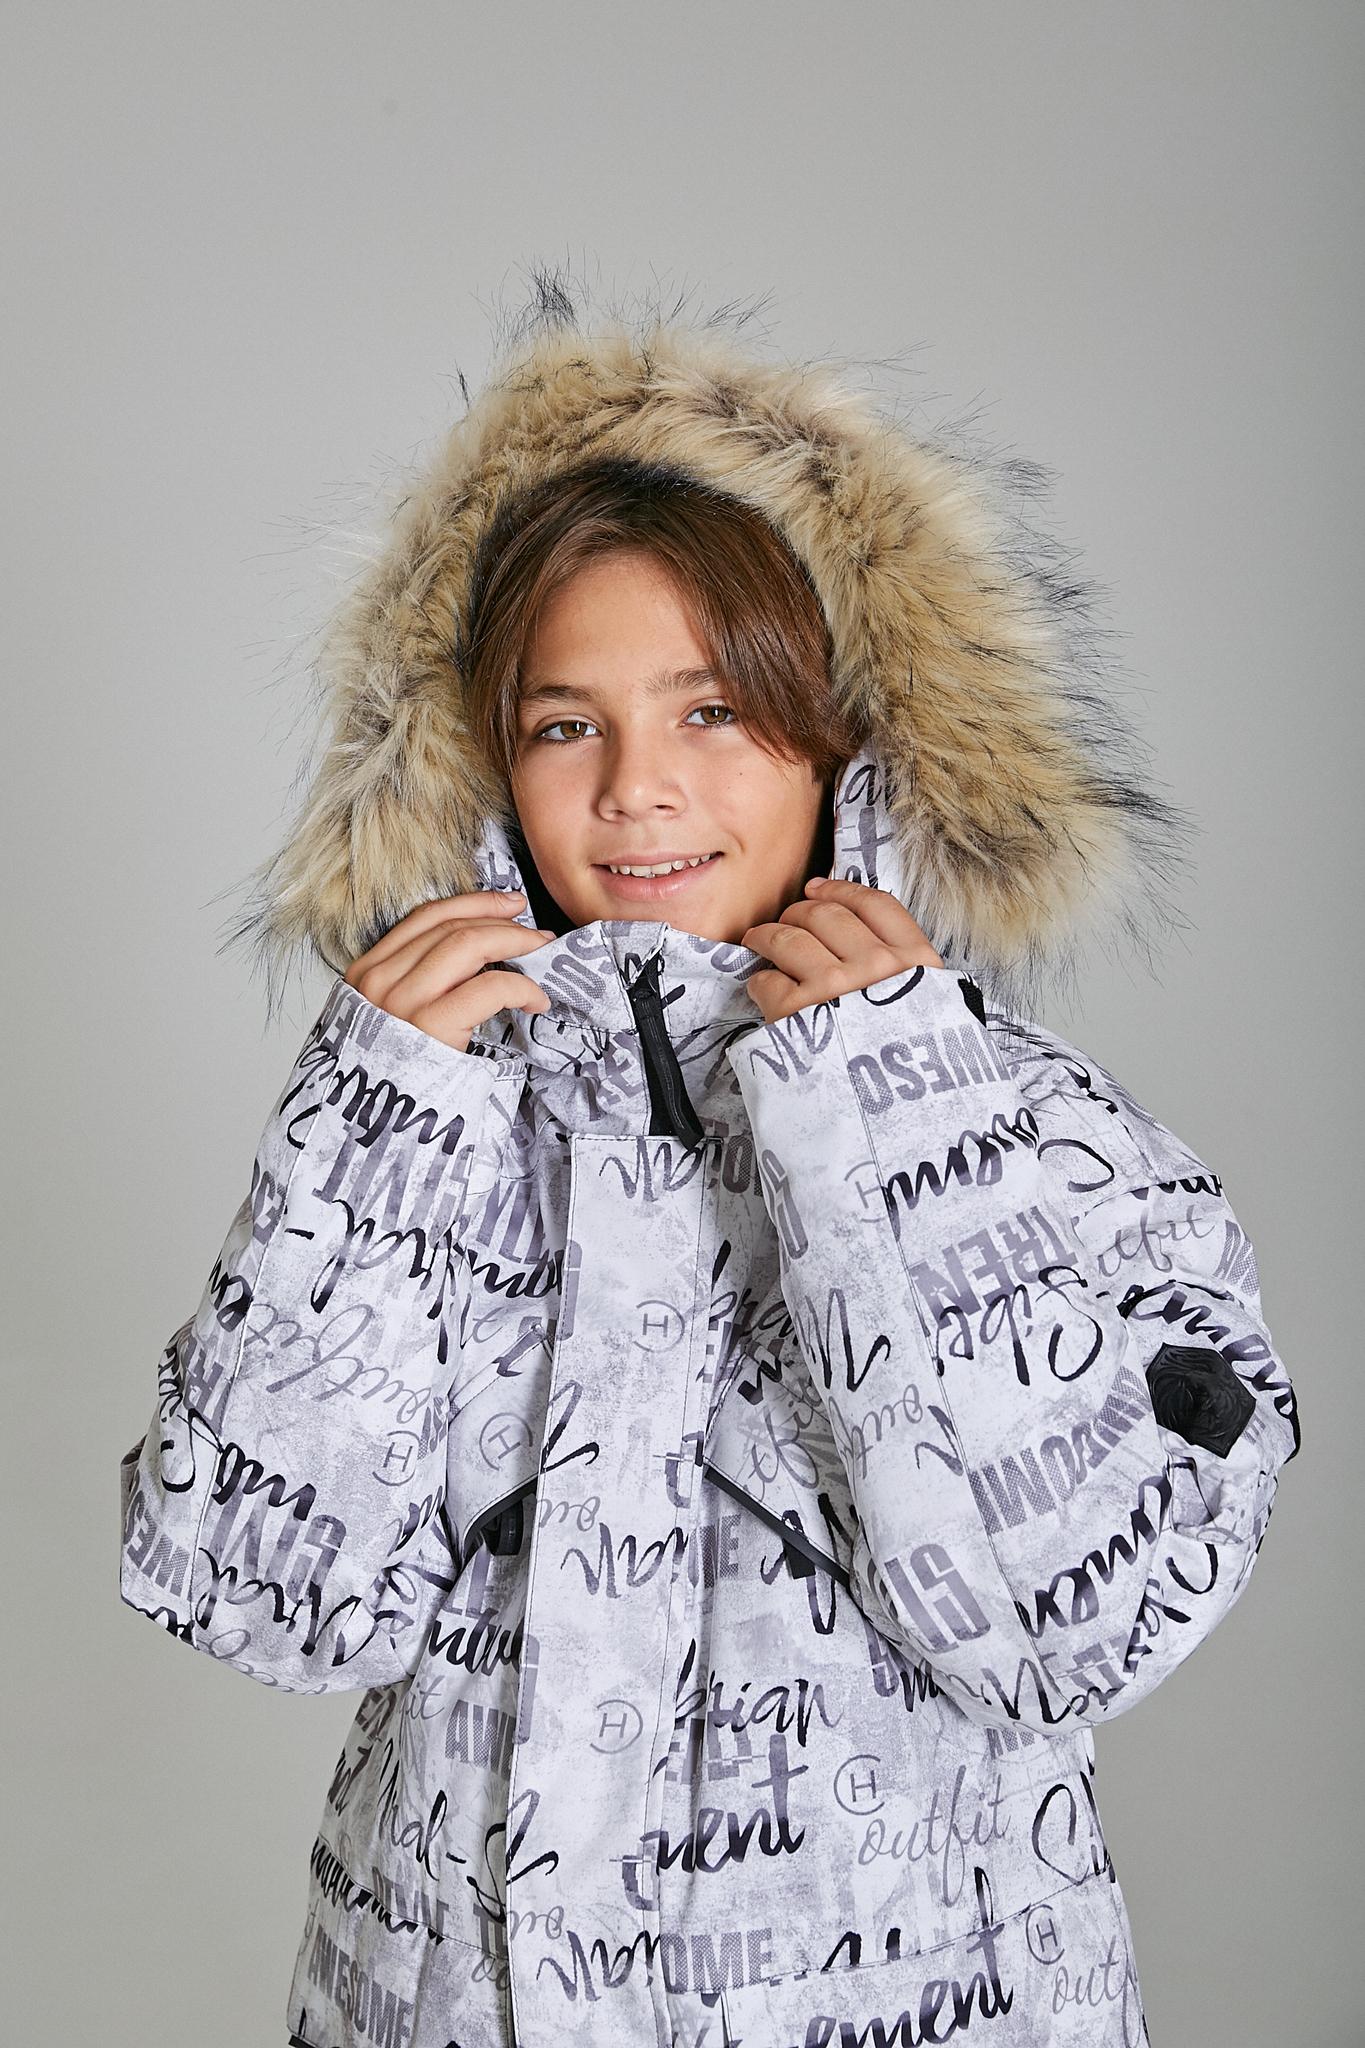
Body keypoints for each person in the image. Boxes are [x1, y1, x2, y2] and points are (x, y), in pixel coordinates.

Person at [121, 304, 1298, 2048]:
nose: (638, 791)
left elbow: (1076, 1633)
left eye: (717, 710)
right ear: (481, 765)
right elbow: (251, 1599)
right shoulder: (427, 1113)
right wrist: (367, 1141)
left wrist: (892, 1114)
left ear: (855, 737)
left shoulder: (1037, 1127)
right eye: (562, 725)